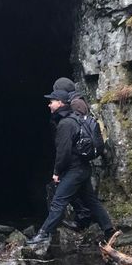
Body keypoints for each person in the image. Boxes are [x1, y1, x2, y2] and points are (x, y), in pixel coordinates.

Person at [27, 87, 115, 252]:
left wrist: (57, 172)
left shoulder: (65, 124)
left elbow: (63, 152)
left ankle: (43, 234)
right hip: (84, 168)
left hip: (74, 171)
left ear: (60, 103)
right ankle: (109, 230)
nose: (49, 105)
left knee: (58, 201)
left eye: (51, 101)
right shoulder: (75, 118)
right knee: (91, 201)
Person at [50, 77, 92, 231]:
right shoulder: (77, 101)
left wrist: (58, 170)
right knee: (87, 196)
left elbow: (74, 130)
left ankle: (44, 233)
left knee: (62, 194)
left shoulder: (75, 104)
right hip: (77, 156)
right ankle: (99, 224)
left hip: (76, 156)